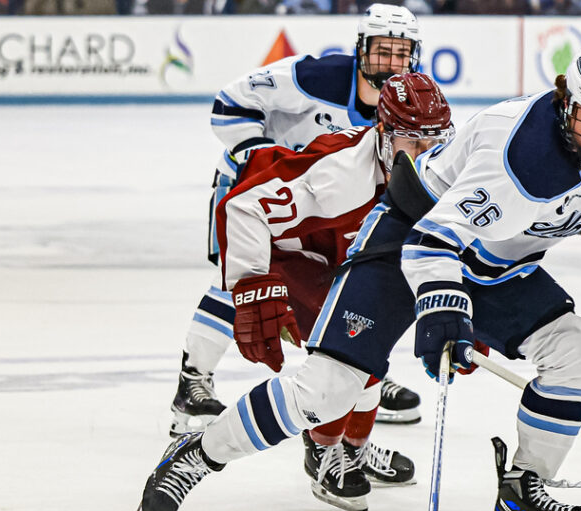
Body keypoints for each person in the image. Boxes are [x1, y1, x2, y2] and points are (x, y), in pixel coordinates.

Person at [135, 42, 581, 511]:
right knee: (326, 391)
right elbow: (432, 245)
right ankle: (199, 455)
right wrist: (443, 310)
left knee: (576, 348)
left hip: (497, 263)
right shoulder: (519, 157)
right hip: (403, 245)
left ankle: (525, 491)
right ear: (563, 101)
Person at [136, 73, 454, 511]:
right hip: (290, 252)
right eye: (411, 141)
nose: (426, 156)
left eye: (435, 142)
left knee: (363, 362)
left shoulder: (444, 168)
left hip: (350, 260)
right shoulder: (339, 174)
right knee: (340, 374)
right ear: (383, 134)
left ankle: (347, 451)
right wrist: (252, 287)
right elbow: (245, 208)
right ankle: (230, 452)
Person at [170, 3, 425, 452]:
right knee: (237, 282)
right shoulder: (316, 77)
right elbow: (230, 102)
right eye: (381, 50)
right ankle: (193, 385)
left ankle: (355, 371)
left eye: (400, 53)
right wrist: (264, 162)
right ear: (361, 49)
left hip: (323, 212)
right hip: (258, 196)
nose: (391, 63)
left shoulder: (406, 105)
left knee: (351, 288)